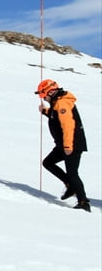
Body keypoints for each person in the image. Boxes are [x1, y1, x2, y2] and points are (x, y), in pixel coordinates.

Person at [36, 79, 90, 212]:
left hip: (72, 144)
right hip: (64, 144)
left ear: (51, 92)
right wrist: (45, 112)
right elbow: (56, 116)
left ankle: (83, 202)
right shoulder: (57, 103)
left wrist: (67, 146)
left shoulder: (62, 102)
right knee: (48, 163)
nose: (45, 99)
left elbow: (68, 126)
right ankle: (70, 185)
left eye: (45, 96)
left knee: (72, 173)